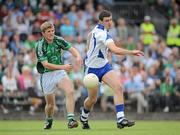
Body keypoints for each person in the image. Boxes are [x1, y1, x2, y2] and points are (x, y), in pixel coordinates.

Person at [80, 10, 144, 129]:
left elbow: (89, 37)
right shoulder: (102, 33)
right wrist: (131, 52)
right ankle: (84, 117)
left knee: (118, 87)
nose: (109, 22)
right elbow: (114, 49)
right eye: (106, 21)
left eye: (110, 20)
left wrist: (90, 50)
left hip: (104, 66)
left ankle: (120, 119)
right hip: (91, 69)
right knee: (92, 99)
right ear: (101, 21)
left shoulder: (98, 30)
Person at [35, 21, 82, 129]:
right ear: (43, 33)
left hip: (60, 73)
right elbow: (45, 64)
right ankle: (49, 120)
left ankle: (70, 119)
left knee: (70, 91)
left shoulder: (58, 40)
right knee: (50, 105)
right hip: (46, 74)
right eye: (48, 32)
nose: (51, 33)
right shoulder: (39, 45)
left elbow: (71, 49)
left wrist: (78, 56)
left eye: (52, 30)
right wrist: (64, 67)